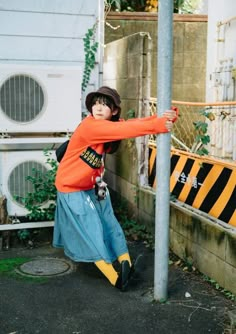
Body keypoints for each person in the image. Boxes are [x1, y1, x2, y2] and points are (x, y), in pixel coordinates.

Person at [53, 86, 177, 291]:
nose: (98, 108)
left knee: (109, 222)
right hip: (71, 187)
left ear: (115, 110)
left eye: (104, 104)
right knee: (91, 229)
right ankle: (115, 277)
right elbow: (125, 130)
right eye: (95, 103)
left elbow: (130, 124)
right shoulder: (90, 127)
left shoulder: (108, 125)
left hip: (93, 185)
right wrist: (160, 124)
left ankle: (125, 261)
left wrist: (165, 117)